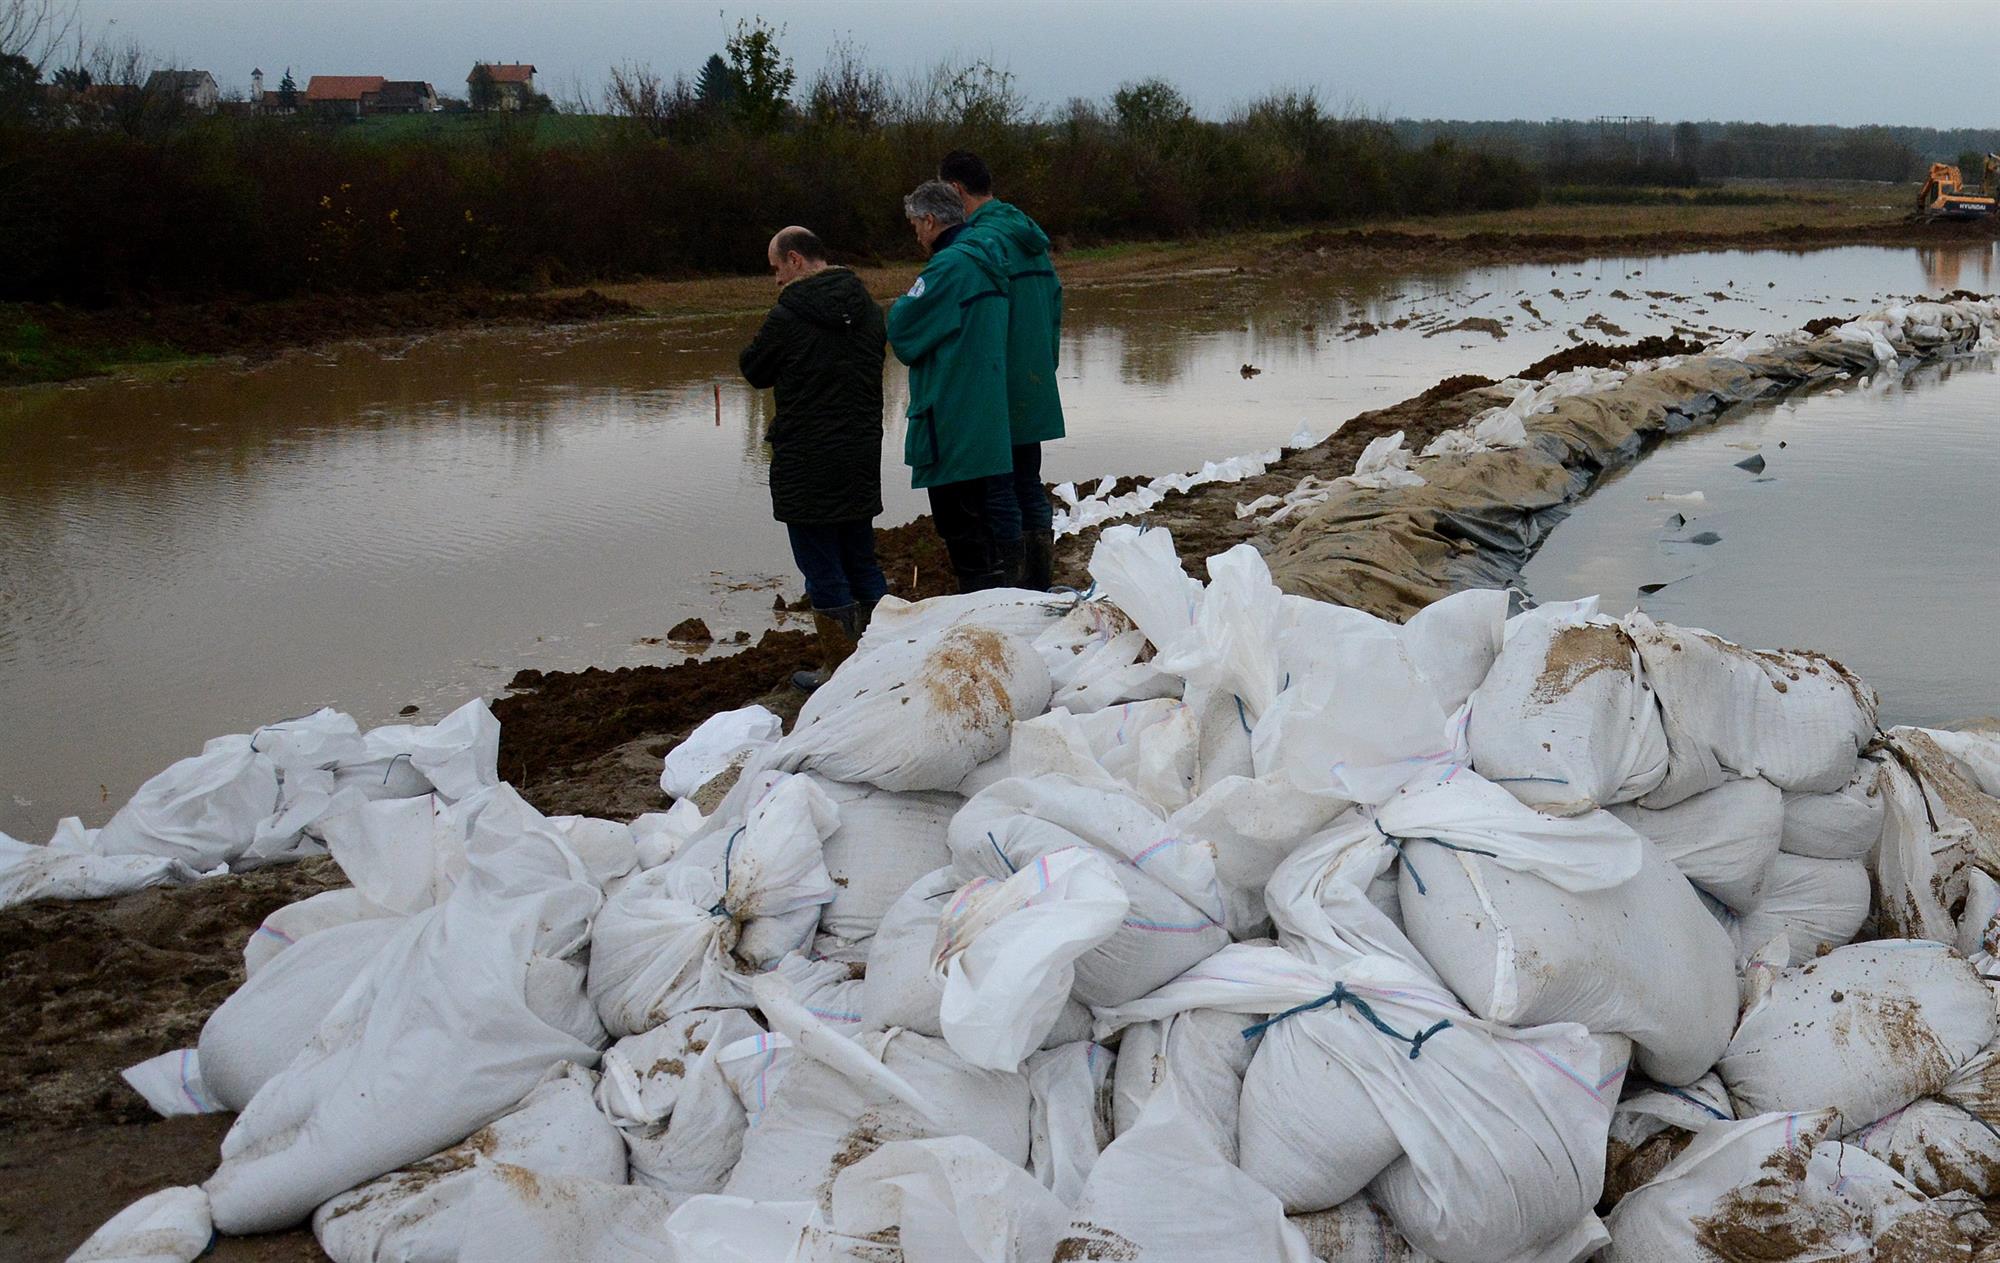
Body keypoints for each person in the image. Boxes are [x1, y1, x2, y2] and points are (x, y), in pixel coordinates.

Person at [739, 225, 890, 691]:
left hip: (807, 457)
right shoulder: (867, 307)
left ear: (796, 261)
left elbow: (754, 368)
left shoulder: (789, 313)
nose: (775, 280)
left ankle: (840, 673)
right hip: (860, 451)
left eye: (776, 269)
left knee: (821, 564)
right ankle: (886, 656)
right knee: (860, 557)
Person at [939, 149, 1066, 590]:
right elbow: (1054, 306)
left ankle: (1013, 594)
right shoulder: (1027, 235)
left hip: (995, 382)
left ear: (955, 190)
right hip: (1032, 382)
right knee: (1028, 483)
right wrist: (1043, 366)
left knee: (998, 490)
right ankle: (1038, 586)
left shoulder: (979, 242)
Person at [886, 180, 1015, 593]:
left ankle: (979, 615)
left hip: (951, 413)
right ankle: (1000, 603)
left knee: (959, 525)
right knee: (986, 522)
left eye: (915, 226)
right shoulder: (991, 257)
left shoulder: (948, 268)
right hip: (987, 415)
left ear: (930, 220)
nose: (916, 235)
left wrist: (901, 305)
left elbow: (903, 329)